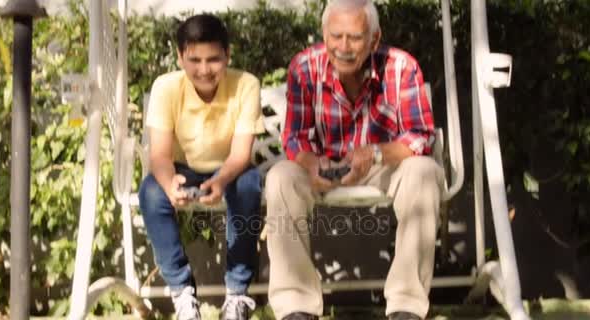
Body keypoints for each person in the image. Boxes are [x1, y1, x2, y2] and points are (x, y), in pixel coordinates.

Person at [264, 0, 444, 319]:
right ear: (324, 34)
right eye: (336, 36)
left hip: (380, 164)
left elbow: (419, 135)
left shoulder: (402, 66)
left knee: (424, 171)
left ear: (374, 39)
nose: (344, 47)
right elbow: (294, 136)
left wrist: (375, 153)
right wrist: (309, 163)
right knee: (281, 177)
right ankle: (296, 307)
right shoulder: (304, 67)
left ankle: (406, 306)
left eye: (355, 38)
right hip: (321, 166)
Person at [138, 14, 264, 320]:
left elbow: (240, 155)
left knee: (249, 185)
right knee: (151, 193)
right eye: (194, 60)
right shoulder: (166, 87)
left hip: (231, 169)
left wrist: (220, 181)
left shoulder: (246, 84)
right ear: (180, 57)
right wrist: (170, 184)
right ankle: (182, 293)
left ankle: (237, 294)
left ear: (227, 56)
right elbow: (159, 156)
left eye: (213, 60)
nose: (204, 70)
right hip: (182, 168)